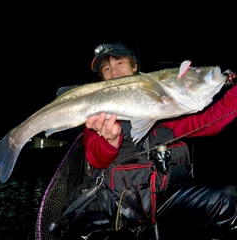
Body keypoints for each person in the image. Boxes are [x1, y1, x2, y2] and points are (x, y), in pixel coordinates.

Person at [69, 42, 237, 240]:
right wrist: (109, 141)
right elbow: (95, 159)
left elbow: (208, 122)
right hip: (116, 212)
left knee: (228, 200)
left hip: (163, 205)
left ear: (134, 67)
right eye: (107, 69)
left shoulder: (166, 112)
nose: (114, 72)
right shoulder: (97, 115)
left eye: (119, 63)